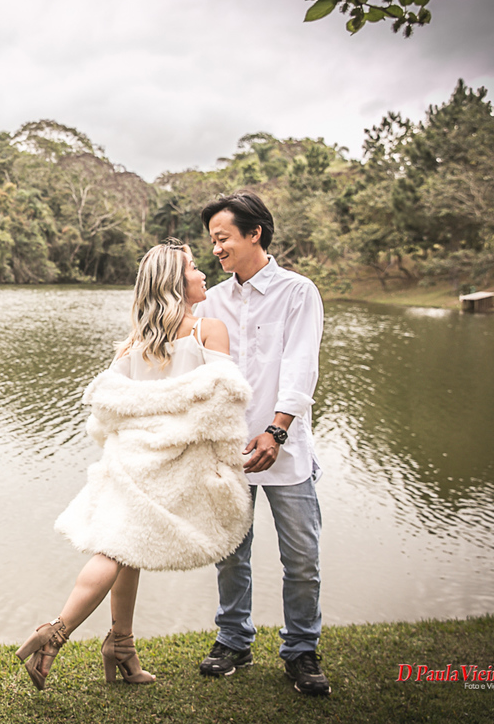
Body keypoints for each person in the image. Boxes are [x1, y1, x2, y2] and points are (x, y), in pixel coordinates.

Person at [15, 240, 254, 691]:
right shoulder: (209, 331)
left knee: (128, 547)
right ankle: (57, 632)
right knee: (115, 550)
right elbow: (224, 413)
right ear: (176, 282)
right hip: (174, 465)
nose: (203, 273)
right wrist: (229, 470)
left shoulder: (133, 343)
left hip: (129, 460)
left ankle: (121, 644)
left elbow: (109, 411)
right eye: (194, 267)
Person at [194, 192, 330, 696]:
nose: (217, 249)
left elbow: (301, 367)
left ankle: (301, 650)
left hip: (286, 447)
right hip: (229, 451)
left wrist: (277, 430)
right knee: (230, 553)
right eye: (212, 241)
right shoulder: (212, 301)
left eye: (223, 237)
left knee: (301, 558)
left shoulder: (298, 292)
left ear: (255, 233)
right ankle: (233, 640)